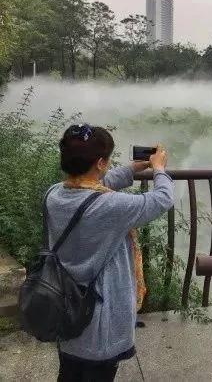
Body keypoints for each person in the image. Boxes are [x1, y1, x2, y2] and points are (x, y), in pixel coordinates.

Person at [45, 124, 174, 381]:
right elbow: (162, 199)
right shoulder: (109, 206)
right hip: (99, 322)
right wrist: (158, 169)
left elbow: (93, 185)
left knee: (68, 373)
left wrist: (132, 169)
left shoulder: (54, 194)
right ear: (101, 163)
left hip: (65, 308)